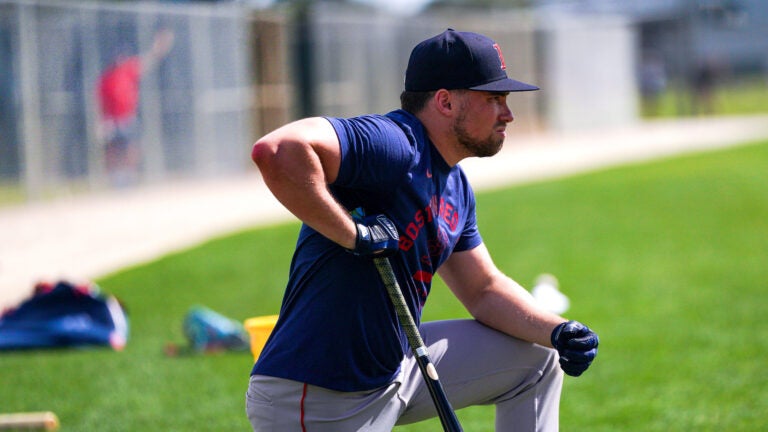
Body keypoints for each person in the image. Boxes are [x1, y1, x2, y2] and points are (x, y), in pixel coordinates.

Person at [246, 29, 599, 431]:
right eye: (494, 99)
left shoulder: (456, 185)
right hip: (321, 395)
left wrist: (558, 331)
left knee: (537, 358)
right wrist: (353, 235)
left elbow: (483, 290)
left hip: (395, 370)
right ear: (445, 102)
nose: (508, 114)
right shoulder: (393, 143)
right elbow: (276, 150)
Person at [95, 29, 174, 186]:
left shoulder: (128, 71)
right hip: (112, 121)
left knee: (132, 148)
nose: (120, 60)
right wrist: (100, 123)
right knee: (112, 151)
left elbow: (147, 61)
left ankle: (129, 178)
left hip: (127, 118)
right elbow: (99, 103)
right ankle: (114, 180)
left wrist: (157, 49)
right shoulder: (106, 78)